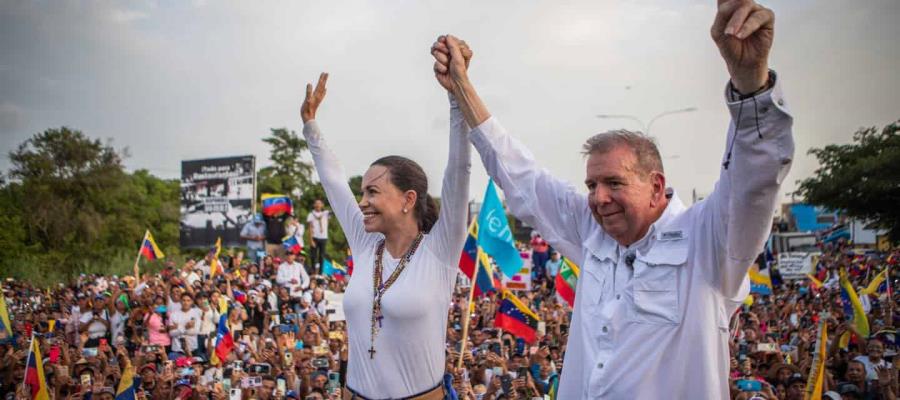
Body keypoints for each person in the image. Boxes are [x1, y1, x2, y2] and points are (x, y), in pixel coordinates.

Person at [431, 0, 792, 396]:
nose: (600, 198)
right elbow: (520, 175)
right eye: (591, 186)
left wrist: (751, 82)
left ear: (656, 185)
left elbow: (753, 181)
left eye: (614, 183)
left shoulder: (709, 240)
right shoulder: (591, 232)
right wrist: (463, 87)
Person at [300, 71, 470, 398]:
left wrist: (456, 97)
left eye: (373, 192)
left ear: (408, 199)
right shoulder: (366, 244)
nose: (362, 202)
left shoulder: (439, 251)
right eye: (362, 193)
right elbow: (334, 183)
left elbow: (459, 171)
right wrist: (311, 126)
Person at [307, 199, 331, 273]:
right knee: (313, 256)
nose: (318, 205)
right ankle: (313, 271)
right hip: (314, 237)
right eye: (316, 203)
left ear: (322, 205)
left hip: (323, 237)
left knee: (322, 256)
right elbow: (310, 228)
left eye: (319, 203)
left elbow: (334, 211)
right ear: (314, 205)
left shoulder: (325, 213)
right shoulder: (311, 214)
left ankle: (320, 272)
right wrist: (311, 240)